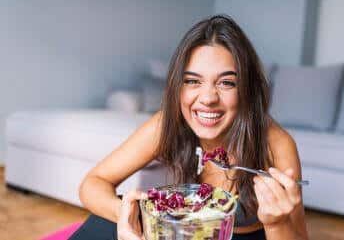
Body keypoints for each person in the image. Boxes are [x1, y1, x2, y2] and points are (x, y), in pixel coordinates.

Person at [69, 14, 309, 240]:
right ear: (178, 87)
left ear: (246, 89)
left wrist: (277, 223)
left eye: (226, 83)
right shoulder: (169, 123)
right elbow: (94, 182)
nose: (207, 98)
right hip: (184, 231)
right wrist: (124, 214)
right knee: (104, 223)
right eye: (193, 81)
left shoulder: (276, 144)